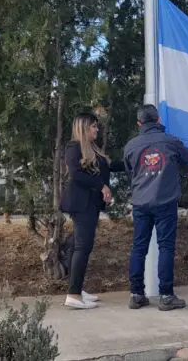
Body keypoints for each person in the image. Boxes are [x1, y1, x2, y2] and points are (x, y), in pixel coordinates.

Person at [124, 104, 188, 311]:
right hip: (165, 202)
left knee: (139, 248)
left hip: (140, 203)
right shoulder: (170, 141)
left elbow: (130, 171)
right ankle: (166, 296)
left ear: (139, 123)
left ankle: (136, 294)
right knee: (166, 247)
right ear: (158, 120)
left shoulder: (131, 146)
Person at [59, 112, 122, 310]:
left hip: (90, 204)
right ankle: (73, 295)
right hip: (81, 204)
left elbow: (109, 167)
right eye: (94, 126)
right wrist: (101, 186)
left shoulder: (92, 149)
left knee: (79, 246)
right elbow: (76, 175)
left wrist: (134, 162)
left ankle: (76, 288)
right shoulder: (73, 148)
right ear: (84, 128)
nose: (97, 129)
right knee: (82, 247)